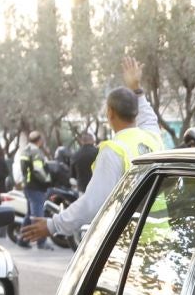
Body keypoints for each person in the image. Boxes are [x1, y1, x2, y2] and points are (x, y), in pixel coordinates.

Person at [23, 54, 163, 248]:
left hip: (133, 244)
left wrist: (53, 225)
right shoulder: (152, 138)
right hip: (161, 239)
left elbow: (92, 203)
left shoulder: (114, 151)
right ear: (135, 113)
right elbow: (148, 117)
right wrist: (136, 88)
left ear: (110, 113)